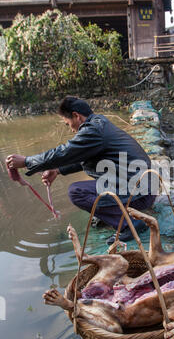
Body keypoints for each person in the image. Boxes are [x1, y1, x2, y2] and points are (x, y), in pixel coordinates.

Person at [6, 96, 156, 244]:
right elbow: (84, 158)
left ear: (76, 116)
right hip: (145, 191)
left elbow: (63, 153)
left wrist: (26, 161)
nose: (71, 129)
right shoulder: (99, 124)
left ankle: (130, 226)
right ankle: (114, 213)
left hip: (140, 195)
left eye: (68, 124)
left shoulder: (93, 131)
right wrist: (57, 170)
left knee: (77, 192)